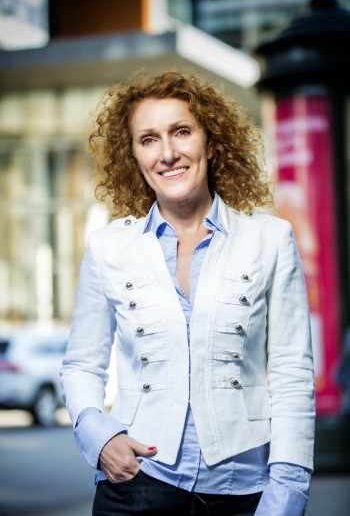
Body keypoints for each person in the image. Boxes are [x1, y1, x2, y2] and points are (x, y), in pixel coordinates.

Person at [60, 70, 315, 516]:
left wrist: (287, 491)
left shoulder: (270, 240)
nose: (169, 153)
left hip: (244, 492)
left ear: (211, 142)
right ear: (134, 156)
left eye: (181, 132)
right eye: (149, 139)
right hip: (137, 484)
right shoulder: (108, 248)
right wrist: (99, 436)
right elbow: (81, 364)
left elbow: (292, 374)